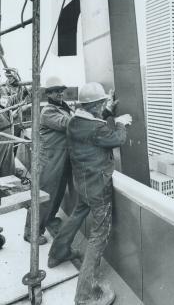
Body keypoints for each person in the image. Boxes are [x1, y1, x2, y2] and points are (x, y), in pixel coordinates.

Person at [48, 82, 131, 305]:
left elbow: (92, 126)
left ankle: (57, 253)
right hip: (97, 186)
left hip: (81, 182)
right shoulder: (96, 128)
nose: (104, 105)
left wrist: (105, 112)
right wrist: (121, 123)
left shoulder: (75, 120)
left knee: (76, 216)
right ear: (94, 105)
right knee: (98, 237)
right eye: (102, 102)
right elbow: (116, 139)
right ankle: (84, 295)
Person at [24, 76, 72, 245]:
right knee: (44, 195)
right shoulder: (49, 111)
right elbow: (68, 124)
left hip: (61, 158)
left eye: (61, 90)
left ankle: (49, 219)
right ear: (49, 94)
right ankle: (31, 232)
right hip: (49, 160)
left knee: (57, 193)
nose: (60, 93)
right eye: (55, 91)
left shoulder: (62, 107)